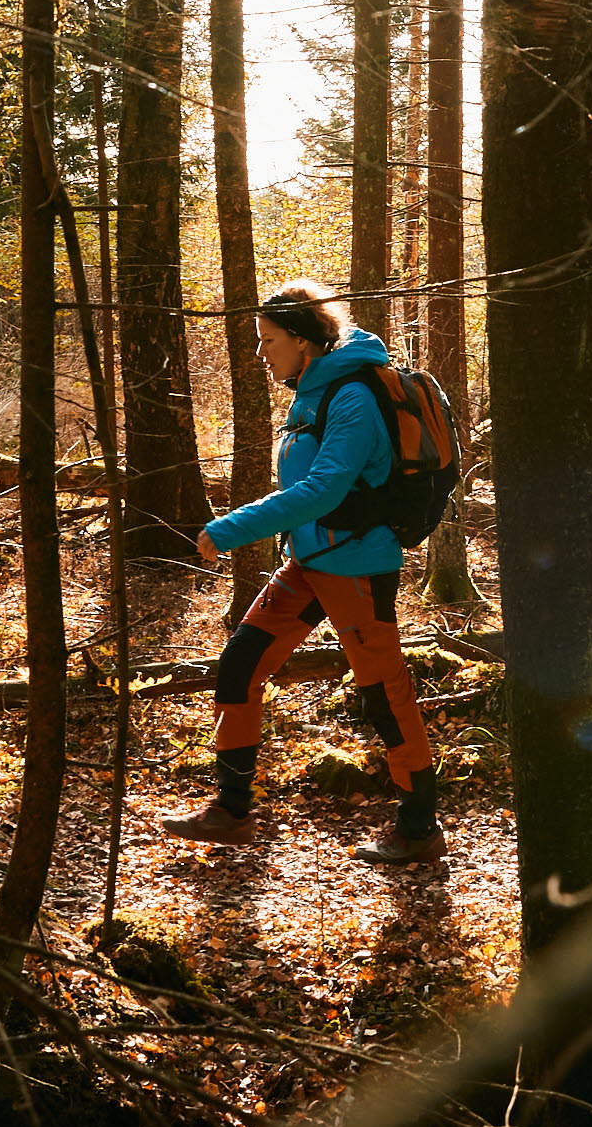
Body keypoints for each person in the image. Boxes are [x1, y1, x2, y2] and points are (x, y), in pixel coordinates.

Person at [167, 279, 444, 863]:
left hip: (356, 566)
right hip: (311, 558)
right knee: (239, 667)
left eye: (269, 340)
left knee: (384, 696)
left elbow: (321, 489)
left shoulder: (352, 397)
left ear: (302, 339)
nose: (262, 352)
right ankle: (231, 810)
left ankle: (419, 828)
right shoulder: (312, 391)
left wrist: (226, 530)